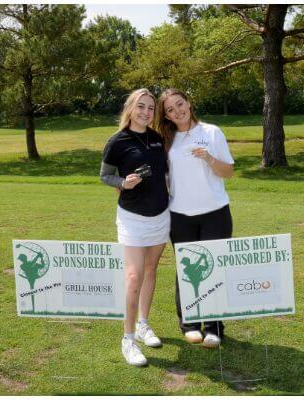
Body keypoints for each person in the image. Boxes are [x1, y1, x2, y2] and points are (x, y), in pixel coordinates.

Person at [156, 88, 235, 349]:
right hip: (180, 215)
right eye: (170, 109)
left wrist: (209, 158)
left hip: (215, 213)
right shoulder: (166, 140)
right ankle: (190, 324)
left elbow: (228, 172)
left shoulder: (212, 132)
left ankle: (214, 328)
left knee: (214, 269)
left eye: (180, 104)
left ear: (189, 103)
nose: (177, 111)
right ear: (166, 116)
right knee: (187, 271)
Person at [99, 88, 169, 367]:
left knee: (151, 271)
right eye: (141, 106)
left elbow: (165, 175)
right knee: (133, 277)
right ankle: (128, 339)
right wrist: (122, 183)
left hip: (161, 216)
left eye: (151, 108)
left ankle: (143, 324)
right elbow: (105, 175)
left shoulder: (158, 139)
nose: (146, 112)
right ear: (130, 108)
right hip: (132, 218)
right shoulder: (117, 141)